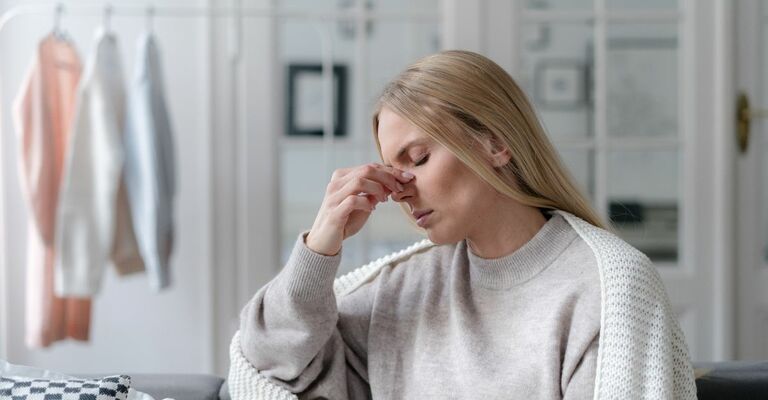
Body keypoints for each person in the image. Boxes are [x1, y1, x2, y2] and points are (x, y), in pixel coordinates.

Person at [234, 50, 697, 399]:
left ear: (495, 143)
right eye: (392, 170)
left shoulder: (609, 290)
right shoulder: (400, 290)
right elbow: (267, 360)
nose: (399, 190)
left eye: (418, 158)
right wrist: (319, 249)